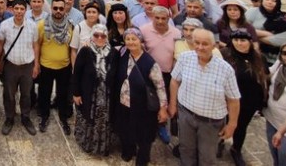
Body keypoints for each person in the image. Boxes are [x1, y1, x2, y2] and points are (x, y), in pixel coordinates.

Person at [169, 29, 241, 166]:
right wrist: (173, 104)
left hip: (211, 122)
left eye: (205, 44)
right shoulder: (185, 58)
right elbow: (174, 81)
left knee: (207, 156)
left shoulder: (225, 69)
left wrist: (232, 124)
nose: (200, 47)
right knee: (186, 149)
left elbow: (233, 100)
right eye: (197, 43)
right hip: (186, 115)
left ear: (214, 46)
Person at [115, 28, 168, 165]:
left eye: (134, 39)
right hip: (125, 103)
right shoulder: (123, 54)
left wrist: (163, 108)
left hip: (143, 106)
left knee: (144, 135)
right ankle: (128, 150)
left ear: (140, 41)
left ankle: (142, 159)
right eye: (128, 39)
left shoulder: (149, 62)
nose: (131, 42)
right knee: (125, 129)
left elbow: (160, 87)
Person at [221, 29, 269, 166]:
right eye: (236, 40)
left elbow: (264, 79)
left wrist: (262, 101)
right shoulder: (225, 55)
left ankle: (236, 150)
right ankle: (219, 143)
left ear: (250, 42)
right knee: (222, 123)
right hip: (228, 100)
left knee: (241, 127)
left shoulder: (259, 57)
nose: (239, 43)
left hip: (249, 101)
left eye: (243, 40)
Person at [71, 24, 118, 156]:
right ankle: (87, 144)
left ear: (107, 37)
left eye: (103, 36)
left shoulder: (113, 53)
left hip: (107, 96)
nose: (99, 38)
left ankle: (102, 146)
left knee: (104, 121)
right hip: (88, 94)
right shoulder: (85, 51)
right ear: (92, 36)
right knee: (88, 118)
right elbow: (77, 74)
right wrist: (76, 93)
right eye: (96, 35)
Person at [0, 0, 39, 136]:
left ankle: (25, 117)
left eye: (22, 9)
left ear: (25, 10)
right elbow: (0, 45)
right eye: (17, 8)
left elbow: (35, 46)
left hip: (27, 65)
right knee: (9, 94)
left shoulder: (33, 26)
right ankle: (9, 118)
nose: (19, 11)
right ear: (12, 10)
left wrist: (36, 65)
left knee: (26, 94)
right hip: (10, 65)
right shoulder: (4, 25)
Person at [36, 0, 73, 135]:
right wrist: (36, 65)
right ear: (51, 8)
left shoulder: (70, 26)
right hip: (46, 65)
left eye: (61, 8)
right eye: (55, 8)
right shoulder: (41, 25)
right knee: (44, 93)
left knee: (63, 94)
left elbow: (72, 47)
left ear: (65, 9)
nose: (58, 11)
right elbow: (37, 45)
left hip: (64, 66)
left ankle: (63, 117)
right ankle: (44, 116)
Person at [246, 0, 286, 66]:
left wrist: (255, 37)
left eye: (274, 1)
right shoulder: (252, 12)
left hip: (274, 59)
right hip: (252, 52)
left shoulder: (282, 18)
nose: (270, 2)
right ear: (262, 0)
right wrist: (266, 33)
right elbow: (243, 29)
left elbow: (281, 41)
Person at [264, 43, 286, 166]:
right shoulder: (279, 65)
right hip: (272, 119)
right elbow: (268, 74)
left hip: (284, 127)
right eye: (285, 53)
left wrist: (280, 132)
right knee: (275, 157)